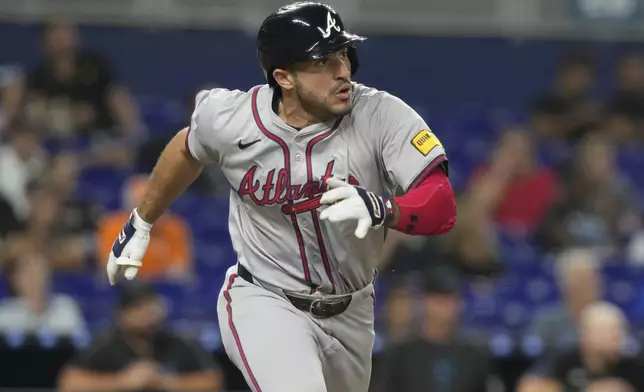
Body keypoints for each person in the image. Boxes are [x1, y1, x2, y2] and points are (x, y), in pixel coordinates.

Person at [105, 2, 456, 392]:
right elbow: (188, 148)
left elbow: (441, 203)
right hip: (265, 297)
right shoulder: (232, 118)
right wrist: (142, 220)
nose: (342, 70)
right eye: (322, 61)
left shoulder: (382, 116)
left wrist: (384, 208)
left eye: (343, 54)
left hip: (353, 310)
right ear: (284, 77)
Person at [58, 282, 222, 392]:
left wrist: (164, 381)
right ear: (122, 315)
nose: (149, 313)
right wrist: (124, 381)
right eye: (139, 307)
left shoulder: (178, 341)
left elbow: (213, 381)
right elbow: (69, 382)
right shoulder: (106, 343)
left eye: (152, 305)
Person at [373, 263, 495, 392]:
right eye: (437, 300)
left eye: (449, 300)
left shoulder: (474, 354)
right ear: (424, 301)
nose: (443, 309)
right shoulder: (399, 354)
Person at [518, 302, 643, 392]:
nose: (618, 339)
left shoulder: (632, 367)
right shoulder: (565, 360)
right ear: (586, 336)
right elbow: (528, 387)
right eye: (609, 332)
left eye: (620, 332)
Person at [0, 252, 86, 336]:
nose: (38, 279)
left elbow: (79, 343)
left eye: (41, 272)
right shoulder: (5, 314)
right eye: (30, 273)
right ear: (16, 279)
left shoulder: (65, 306)